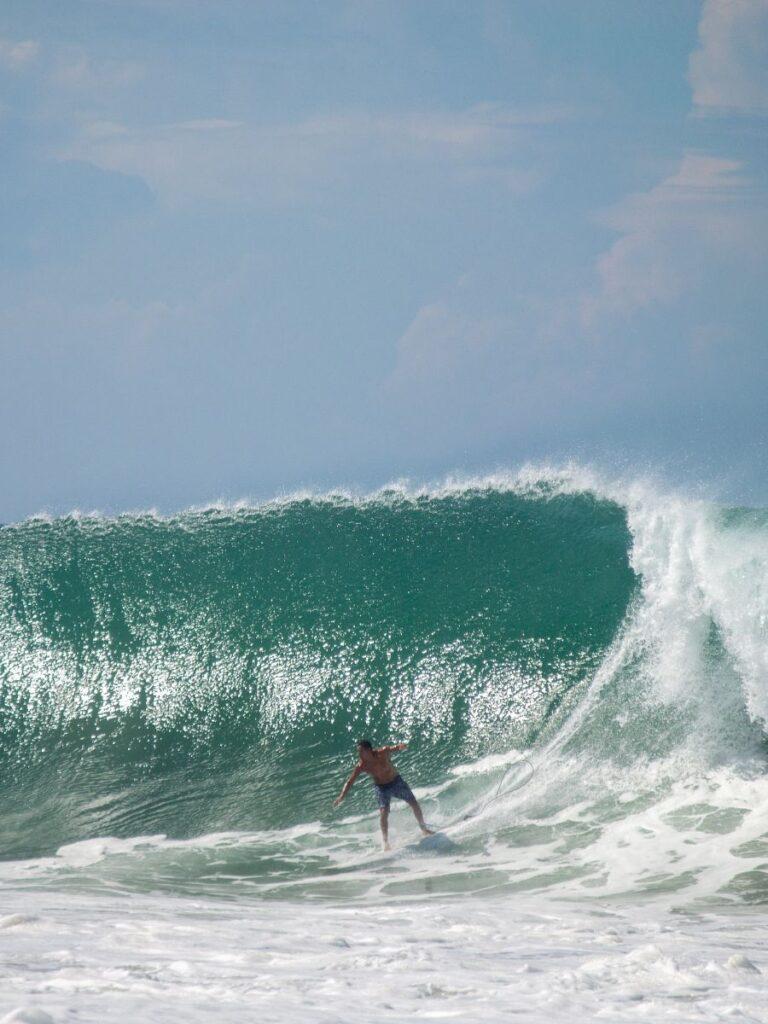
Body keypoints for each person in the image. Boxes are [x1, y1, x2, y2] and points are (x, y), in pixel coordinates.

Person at [333, 739, 434, 850]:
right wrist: (342, 796)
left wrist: (400, 746)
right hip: (381, 788)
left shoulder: (383, 752)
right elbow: (350, 781)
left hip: (396, 782)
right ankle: (385, 843)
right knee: (383, 813)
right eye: (358, 752)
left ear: (369, 750)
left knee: (413, 803)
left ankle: (423, 829)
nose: (359, 754)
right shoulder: (361, 766)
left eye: (361, 751)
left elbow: (393, 748)